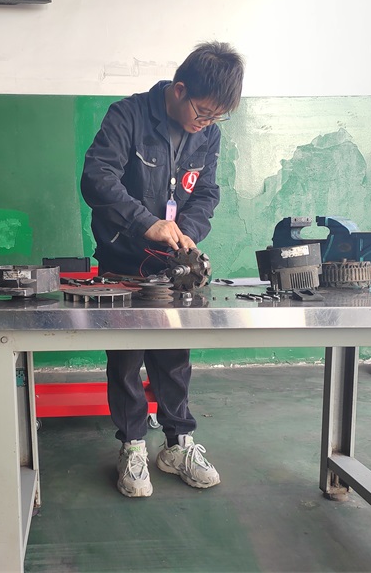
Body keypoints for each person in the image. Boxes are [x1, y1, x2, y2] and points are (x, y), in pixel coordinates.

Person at [80, 41, 245, 498]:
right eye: (203, 112)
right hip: (122, 261)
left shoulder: (207, 135)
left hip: (172, 268)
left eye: (216, 117)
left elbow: (206, 193)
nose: (206, 122)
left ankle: (178, 445)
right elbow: (97, 178)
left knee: (174, 357)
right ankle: (133, 446)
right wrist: (146, 223)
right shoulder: (127, 116)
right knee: (126, 359)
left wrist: (185, 232)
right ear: (179, 89)